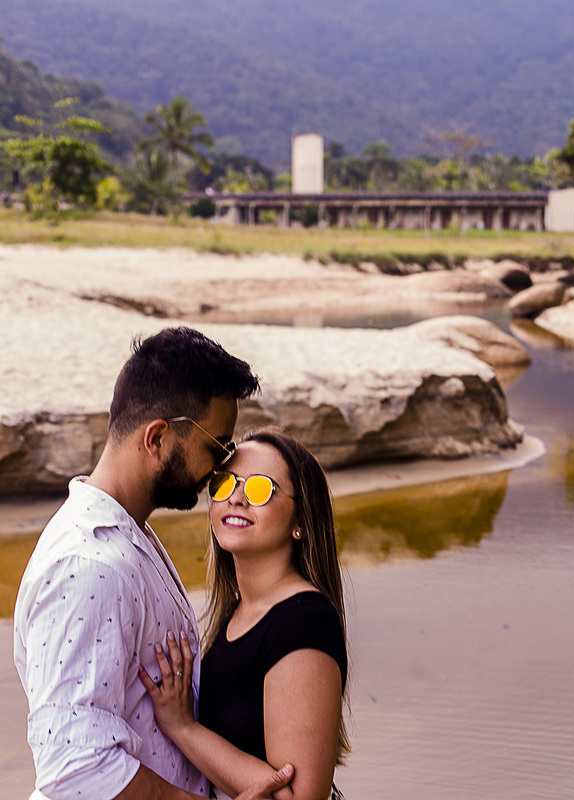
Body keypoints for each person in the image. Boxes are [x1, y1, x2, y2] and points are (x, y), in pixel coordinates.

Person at [13, 326, 294, 800]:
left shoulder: (128, 533)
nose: (222, 470)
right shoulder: (89, 565)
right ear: (158, 437)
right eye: (218, 447)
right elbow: (75, 766)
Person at [138, 428, 349, 800]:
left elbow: (298, 797)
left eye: (260, 489)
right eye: (224, 484)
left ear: (301, 522)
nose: (236, 498)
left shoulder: (303, 620)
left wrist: (185, 728)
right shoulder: (235, 614)